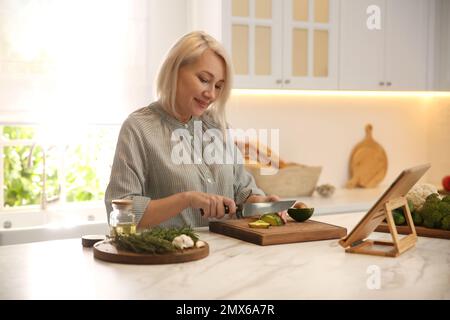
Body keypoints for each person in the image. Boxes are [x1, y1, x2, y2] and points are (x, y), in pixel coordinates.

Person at [105, 31, 288, 229]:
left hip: (226, 255)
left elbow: (242, 190)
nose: (211, 94)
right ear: (174, 70)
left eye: (218, 86)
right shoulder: (139, 128)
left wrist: (260, 203)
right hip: (169, 256)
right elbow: (120, 212)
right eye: (203, 79)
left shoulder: (218, 127)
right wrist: (186, 199)